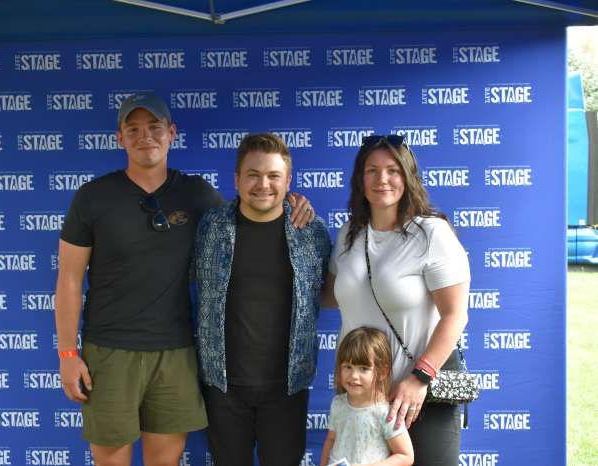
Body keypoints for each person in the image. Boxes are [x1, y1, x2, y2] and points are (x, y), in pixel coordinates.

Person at [54, 94, 313, 466]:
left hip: (176, 353)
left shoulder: (196, 194)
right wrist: (67, 354)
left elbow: (252, 211)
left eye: (154, 127)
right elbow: (69, 278)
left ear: (171, 133)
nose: (145, 136)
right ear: (119, 138)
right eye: (133, 129)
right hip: (109, 352)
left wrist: (293, 203)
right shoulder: (93, 198)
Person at [322, 135, 470, 466]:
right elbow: (328, 296)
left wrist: (420, 379)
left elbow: (455, 314)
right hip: (360, 396)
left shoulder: (432, 234)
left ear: (408, 176)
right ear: (360, 179)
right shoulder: (348, 234)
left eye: (393, 170)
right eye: (372, 170)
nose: (382, 179)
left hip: (419, 396)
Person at [194, 133, 331, 466]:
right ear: (237, 179)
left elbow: (335, 290)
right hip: (222, 384)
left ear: (288, 182)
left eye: (273, 176)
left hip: (288, 385)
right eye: (253, 175)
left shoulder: (311, 231)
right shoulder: (210, 227)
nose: (263, 184)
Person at [320, 326, 414, 466]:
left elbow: (405, 456)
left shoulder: (385, 412)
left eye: (363, 369)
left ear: (382, 372)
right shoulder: (338, 403)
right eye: (348, 367)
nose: (353, 376)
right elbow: (331, 439)